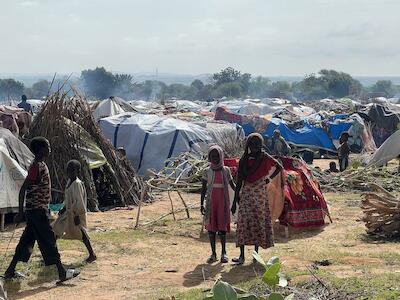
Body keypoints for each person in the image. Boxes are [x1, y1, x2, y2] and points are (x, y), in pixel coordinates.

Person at [4, 137, 80, 284]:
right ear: (40, 150)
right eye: (47, 146)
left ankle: (10, 270)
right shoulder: (36, 167)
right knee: (49, 240)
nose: (50, 149)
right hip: (37, 211)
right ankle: (61, 272)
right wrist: (20, 212)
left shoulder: (41, 164)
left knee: (26, 241)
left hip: (36, 211)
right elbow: (23, 189)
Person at [231, 133, 282, 265]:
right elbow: (239, 180)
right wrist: (234, 200)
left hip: (259, 195)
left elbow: (279, 166)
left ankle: (256, 256)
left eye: (257, 144)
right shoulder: (244, 160)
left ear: (261, 145)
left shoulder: (264, 157)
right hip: (246, 195)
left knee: (258, 223)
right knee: (243, 224)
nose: (254, 147)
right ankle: (241, 256)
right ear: (248, 145)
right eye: (252, 144)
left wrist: (269, 179)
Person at [53, 160, 97, 263]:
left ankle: (92, 254)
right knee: (55, 229)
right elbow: (68, 198)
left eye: (73, 170)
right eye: (68, 170)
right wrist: (63, 208)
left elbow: (79, 200)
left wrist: (77, 215)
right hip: (68, 213)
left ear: (77, 171)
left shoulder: (77, 184)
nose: (70, 173)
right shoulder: (69, 182)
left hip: (76, 213)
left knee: (82, 234)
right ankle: (53, 255)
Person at [200, 145, 236, 264]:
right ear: (209, 157)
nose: (215, 158)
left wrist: (238, 195)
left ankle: (224, 252)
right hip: (211, 202)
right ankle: (213, 253)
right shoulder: (207, 171)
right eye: (212, 156)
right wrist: (201, 204)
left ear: (221, 156)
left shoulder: (226, 170)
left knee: (222, 228)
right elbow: (203, 189)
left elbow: (232, 185)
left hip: (222, 202)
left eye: (217, 156)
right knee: (211, 229)